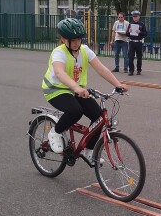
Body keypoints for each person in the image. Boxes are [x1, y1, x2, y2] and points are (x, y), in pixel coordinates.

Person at [42, 18, 128, 160]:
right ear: (63, 39)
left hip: (76, 90)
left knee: (99, 117)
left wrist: (118, 85)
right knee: (75, 110)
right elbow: (59, 73)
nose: (76, 43)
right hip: (56, 90)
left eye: (78, 39)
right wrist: (76, 87)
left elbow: (101, 69)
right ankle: (55, 132)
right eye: (72, 40)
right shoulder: (59, 52)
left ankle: (88, 151)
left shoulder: (85, 50)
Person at [126, 10, 148, 75]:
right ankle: (131, 70)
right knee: (130, 57)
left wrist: (140, 32)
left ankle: (139, 70)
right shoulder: (130, 24)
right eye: (134, 16)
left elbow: (145, 34)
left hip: (139, 42)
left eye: (136, 16)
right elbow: (127, 34)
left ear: (139, 17)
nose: (135, 18)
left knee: (139, 57)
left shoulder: (142, 25)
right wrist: (129, 31)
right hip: (132, 42)